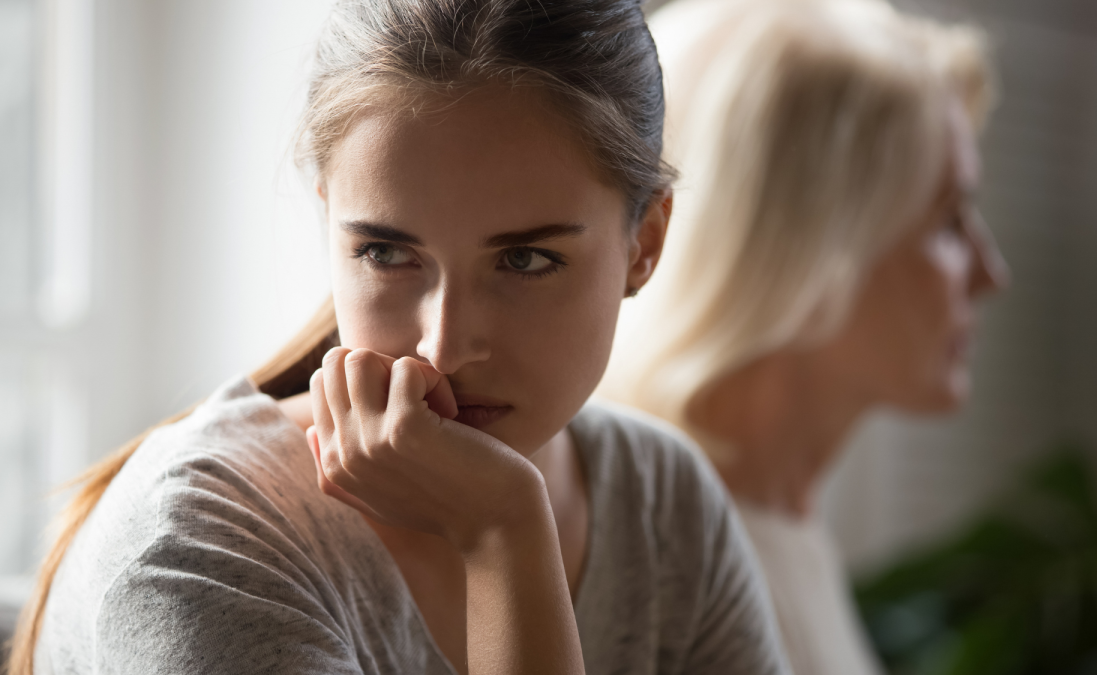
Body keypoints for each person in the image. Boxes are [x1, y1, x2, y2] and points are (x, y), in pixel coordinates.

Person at [7, 0, 792, 673]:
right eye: (385, 252)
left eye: (525, 259)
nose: (443, 349)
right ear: (329, 222)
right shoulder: (198, 550)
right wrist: (504, 533)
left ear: (644, 243)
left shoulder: (662, 501)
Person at [600, 0, 1010, 673]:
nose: (992, 274)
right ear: (807, 250)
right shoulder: (657, 555)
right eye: (948, 220)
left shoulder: (779, 519)